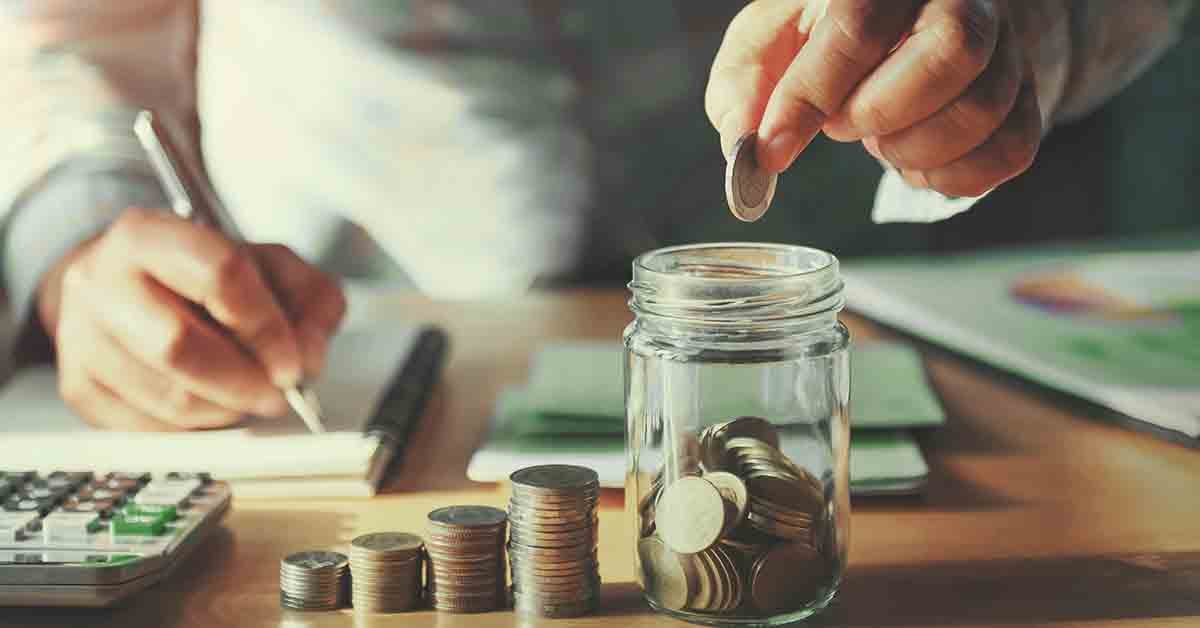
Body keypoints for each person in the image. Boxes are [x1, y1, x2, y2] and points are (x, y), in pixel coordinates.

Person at [0, 0, 1192, 431]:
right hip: (347, 333)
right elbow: (73, 35)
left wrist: (1012, 25)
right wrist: (84, 231)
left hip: (894, 308)